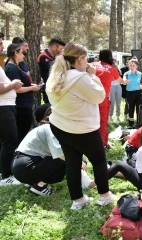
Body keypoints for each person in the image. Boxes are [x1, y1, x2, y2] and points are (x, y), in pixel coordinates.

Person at [46, 42, 115, 210]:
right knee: (98, 160)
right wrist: (93, 76)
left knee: (72, 163)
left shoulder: (56, 75)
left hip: (60, 125)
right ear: (80, 59)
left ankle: (78, 200)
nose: (88, 62)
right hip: (82, 128)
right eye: (86, 59)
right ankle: (104, 195)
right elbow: (99, 96)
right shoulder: (81, 77)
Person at [11, 108, 94, 195]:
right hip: (25, 166)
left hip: (21, 165)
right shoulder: (51, 129)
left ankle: (34, 181)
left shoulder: (47, 128)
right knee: (67, 159)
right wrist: (79, 162)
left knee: (71, 158)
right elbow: (63, 155)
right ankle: (40, 185)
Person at [5, 44, 42, 144]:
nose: (23, 55)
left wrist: (31, 85)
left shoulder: (17, 66)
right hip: (20, 106)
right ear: (15, 53)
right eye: (21, 53)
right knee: (20, 134)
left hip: (24, 105)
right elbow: (16, 89)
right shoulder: (11, 68)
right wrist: (31, 88)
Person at [0, 36, 24, 185]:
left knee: (6, 140)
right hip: (3, 107)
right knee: (10, 140)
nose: (2, 45)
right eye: (0, 43)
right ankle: (6, 176)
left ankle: (4, 172)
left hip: (6, 106)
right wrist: (13, 84)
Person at [94, 49, 122, 147]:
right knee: (102, 122)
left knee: (91, 120)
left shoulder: (92, 65)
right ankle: (102, 144)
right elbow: (119, 80)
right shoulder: (112, 69)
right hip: (102, 99)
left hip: (90, 98)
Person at [37, 37, 66, 103]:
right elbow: (52, 71)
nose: (61, 52)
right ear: (54, 47)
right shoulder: (44, 57)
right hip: (49, 88)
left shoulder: (54, 57)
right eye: (61, 49)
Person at [123, 57, 142, 127]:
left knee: (139, 109)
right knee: (131, 109)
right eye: (130, 65)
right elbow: (124, 80)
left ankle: (139, 123)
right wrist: (125, 81)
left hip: (139, 94)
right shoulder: (126, 74)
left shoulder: (140, 74)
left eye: (133, 66)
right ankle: (131, 123)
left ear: (137, 66)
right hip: (130, 94)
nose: (131, 67)